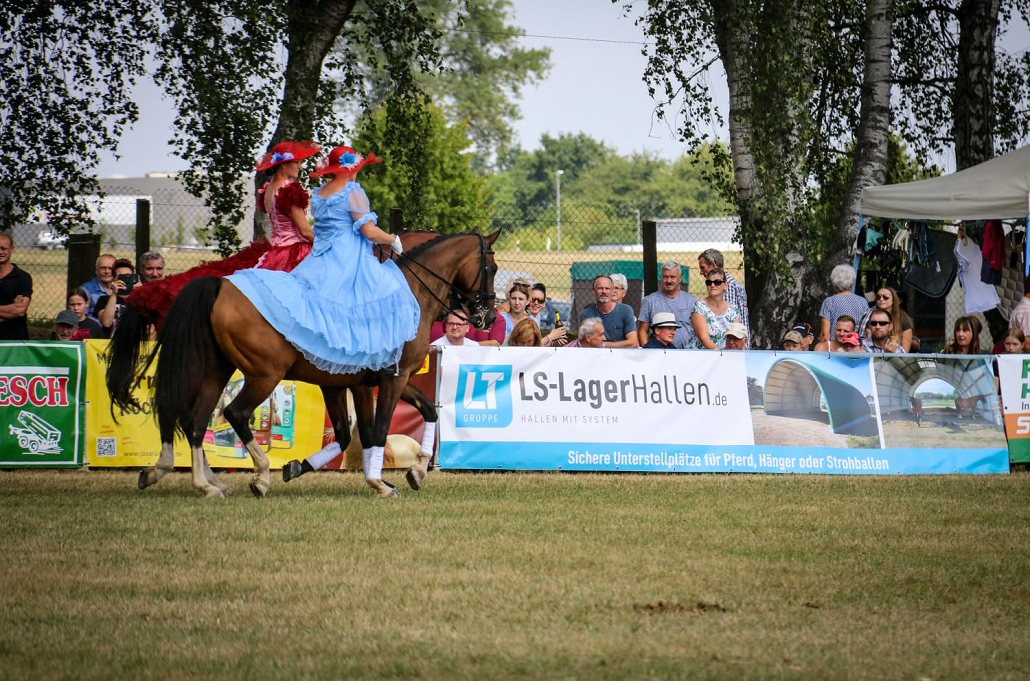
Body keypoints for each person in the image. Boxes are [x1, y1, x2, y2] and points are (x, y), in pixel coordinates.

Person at [233, 145, 415, 486]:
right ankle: (378, 363)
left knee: (322, 310)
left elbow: (320, 231)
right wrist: (396, 240)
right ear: (351, 168)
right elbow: (368, 232)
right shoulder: (353, 191)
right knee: (383, 298)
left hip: (319, 261)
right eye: (358, 166)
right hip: (350, 262)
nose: (359, 171)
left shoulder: (318, 193)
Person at [125, 140, 322, 329]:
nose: (300, 165)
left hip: (275, 250)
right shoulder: (290, 190)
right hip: (293, 250)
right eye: (296, 162)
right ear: (283, 165)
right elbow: (304, 231)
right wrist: (326, 244)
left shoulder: (269, 189)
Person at [637, 262, 696, 349]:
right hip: (658, 354)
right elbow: (642, 331)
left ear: (680, 278)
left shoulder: (691, 301)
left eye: (672, 277)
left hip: (687, 353)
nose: (668, 281)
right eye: (665, 277)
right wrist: (648, 352)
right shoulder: (649, 301)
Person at [699, 248, 748, 343]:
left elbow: (730, 324)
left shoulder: (729, 288)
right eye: (709, 283)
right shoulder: (735, 285)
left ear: (713, 265)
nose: (701, 272)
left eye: (703, 267)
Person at [579, 274, 638, 348]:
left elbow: (633, 342)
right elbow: (586, 343)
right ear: (594, 291)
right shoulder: (586, 315)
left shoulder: (626, 310)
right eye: (600, 288)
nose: (604, 291)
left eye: (607, 288)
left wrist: (603, 345)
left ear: (612, 291)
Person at [690, 266, 742, 349]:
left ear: (725, 285)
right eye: (709, 282)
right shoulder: (699, 307)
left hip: (726, 355)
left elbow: (736, 336)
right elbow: (704, 338)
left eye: (717, 282)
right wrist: (721, 355)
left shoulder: (733, 310)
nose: (712, 285)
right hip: (701, 356)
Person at [819, 264, 868, 345]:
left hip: (835, 348)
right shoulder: (863, 301)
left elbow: (825, 334)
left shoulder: (829, 301)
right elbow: (866, 329)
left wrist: (823, 350)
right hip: (855, 348)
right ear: (851, 284)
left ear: (834, 284)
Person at [858, 286, 914, 352]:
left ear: (894, 300)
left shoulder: (903, 319)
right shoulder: (870, 315)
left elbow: (905, 353)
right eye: (878, 297)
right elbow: (870, 346)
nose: (881, 299)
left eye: (886, 297)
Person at [94, 258, 138, 337]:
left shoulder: (138, 299)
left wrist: (140, 293)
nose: (125, 280)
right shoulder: (104, 300)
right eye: (122, 277)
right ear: (114, 278)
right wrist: (114, 293)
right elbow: (106, 323)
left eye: (128, 276)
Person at [0, 233, 32, 340]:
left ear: (11, 249)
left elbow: (20, 310)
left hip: (15, 341)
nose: (0, 252)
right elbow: (14, 310)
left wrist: (15, 310)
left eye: (3, 248)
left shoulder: (23, 278)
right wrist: (10, 310)